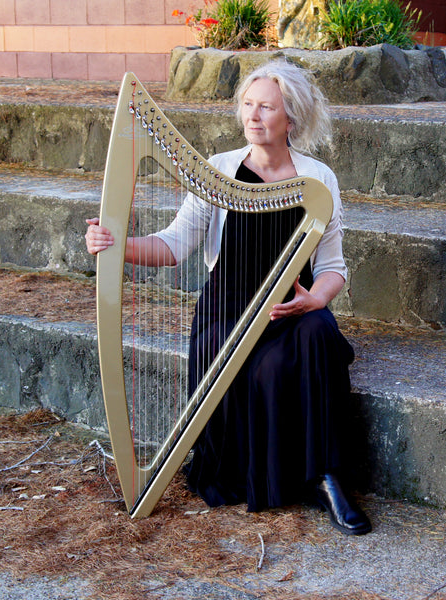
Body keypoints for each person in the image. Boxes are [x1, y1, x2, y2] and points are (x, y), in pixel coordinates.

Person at [86, 61, 371, 535]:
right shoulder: (219, 172)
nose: (253, 115)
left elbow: (332, 268)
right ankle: (272, 473)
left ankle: (327, 477)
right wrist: (117, 244)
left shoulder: (318, 179)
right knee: (256, 366)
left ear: (291, 119)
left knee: (317, 335)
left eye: (266, 107)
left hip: (290, 307)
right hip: (227, 312)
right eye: (248, 104)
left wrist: (316, 299)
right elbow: (174, 246)